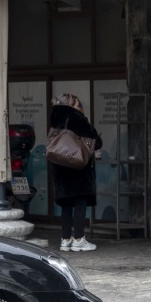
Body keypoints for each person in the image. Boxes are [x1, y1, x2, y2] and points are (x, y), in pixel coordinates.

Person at [49, 94, 103, 252]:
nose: (81, 107)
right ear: (73, 106)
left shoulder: (55, 119)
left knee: (66, 204)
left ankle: (65, 239)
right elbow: (96, 141)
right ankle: (79, 239)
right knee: (80, 202)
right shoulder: (76, 118)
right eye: (79, 105)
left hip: (60, 166)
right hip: (77, 167)